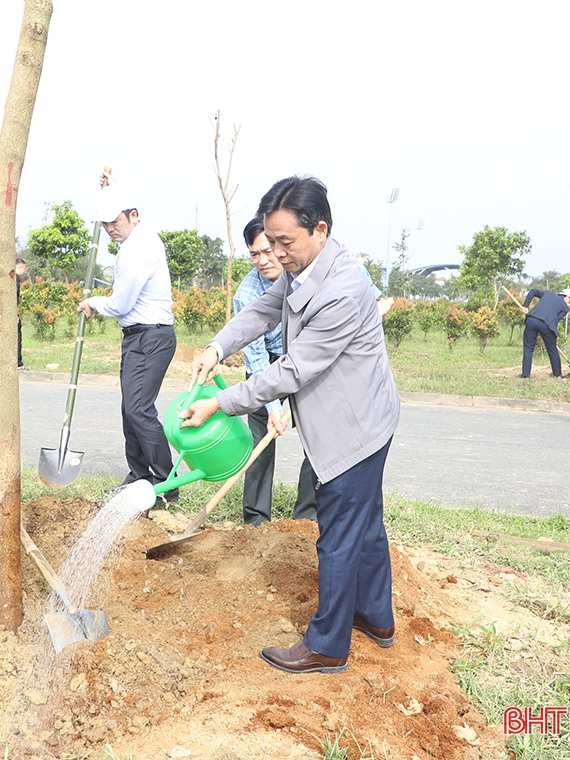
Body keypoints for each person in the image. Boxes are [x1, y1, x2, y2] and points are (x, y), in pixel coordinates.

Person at [182, 175, 400, 675]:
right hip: (362, 412)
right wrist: (219, 345)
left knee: (339, 531)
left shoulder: (342, 288)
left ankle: (327, 645)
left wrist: (223, 403)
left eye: (285, 242)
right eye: (271, 241)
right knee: (365, 522)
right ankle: (376, 618)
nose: (277, 254)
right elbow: (263, 310)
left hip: (355, 426)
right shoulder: (305, 269)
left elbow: (294, 369)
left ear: (319, 229)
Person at [235, 217, 391, 526]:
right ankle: (255, 519)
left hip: (317, 358)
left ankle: (306, 516)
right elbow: (255, 360)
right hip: (271, 362)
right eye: (256, 255)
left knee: (318, 438)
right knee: (261, 436)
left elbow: (371, 303)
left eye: (272, 249)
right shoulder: (248, 291)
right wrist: (272, 408)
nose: (267, 260)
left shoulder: (333, 271)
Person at [76, 176, 177, 502]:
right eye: (105, 224)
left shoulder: (138, 248)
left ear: (134, 214)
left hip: (151, 337)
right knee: (130, 410)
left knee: (138, 410)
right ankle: (138, 476)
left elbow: (121, 304)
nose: (110, 229)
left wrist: (93, 303)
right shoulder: (135, 241)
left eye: (115, 221)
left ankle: (166, 485)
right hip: (139, 337)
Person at [519, 287, 570, 378]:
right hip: (547, 325)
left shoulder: (547, 294)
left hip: (531, 320)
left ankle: (525, 375)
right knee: (552, 350)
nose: (569, 303)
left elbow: (533, 291)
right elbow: (556, 320)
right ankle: (557, 374)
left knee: (528, 348)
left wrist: (526, 306)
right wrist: (551, 337)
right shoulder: (565, 308)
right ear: (567, 297)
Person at [15, 257, 27, 368]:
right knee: (17, 336)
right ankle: (18, 361)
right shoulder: (16, 279)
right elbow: (14, 297)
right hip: (13, 313)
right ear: (20, 267)